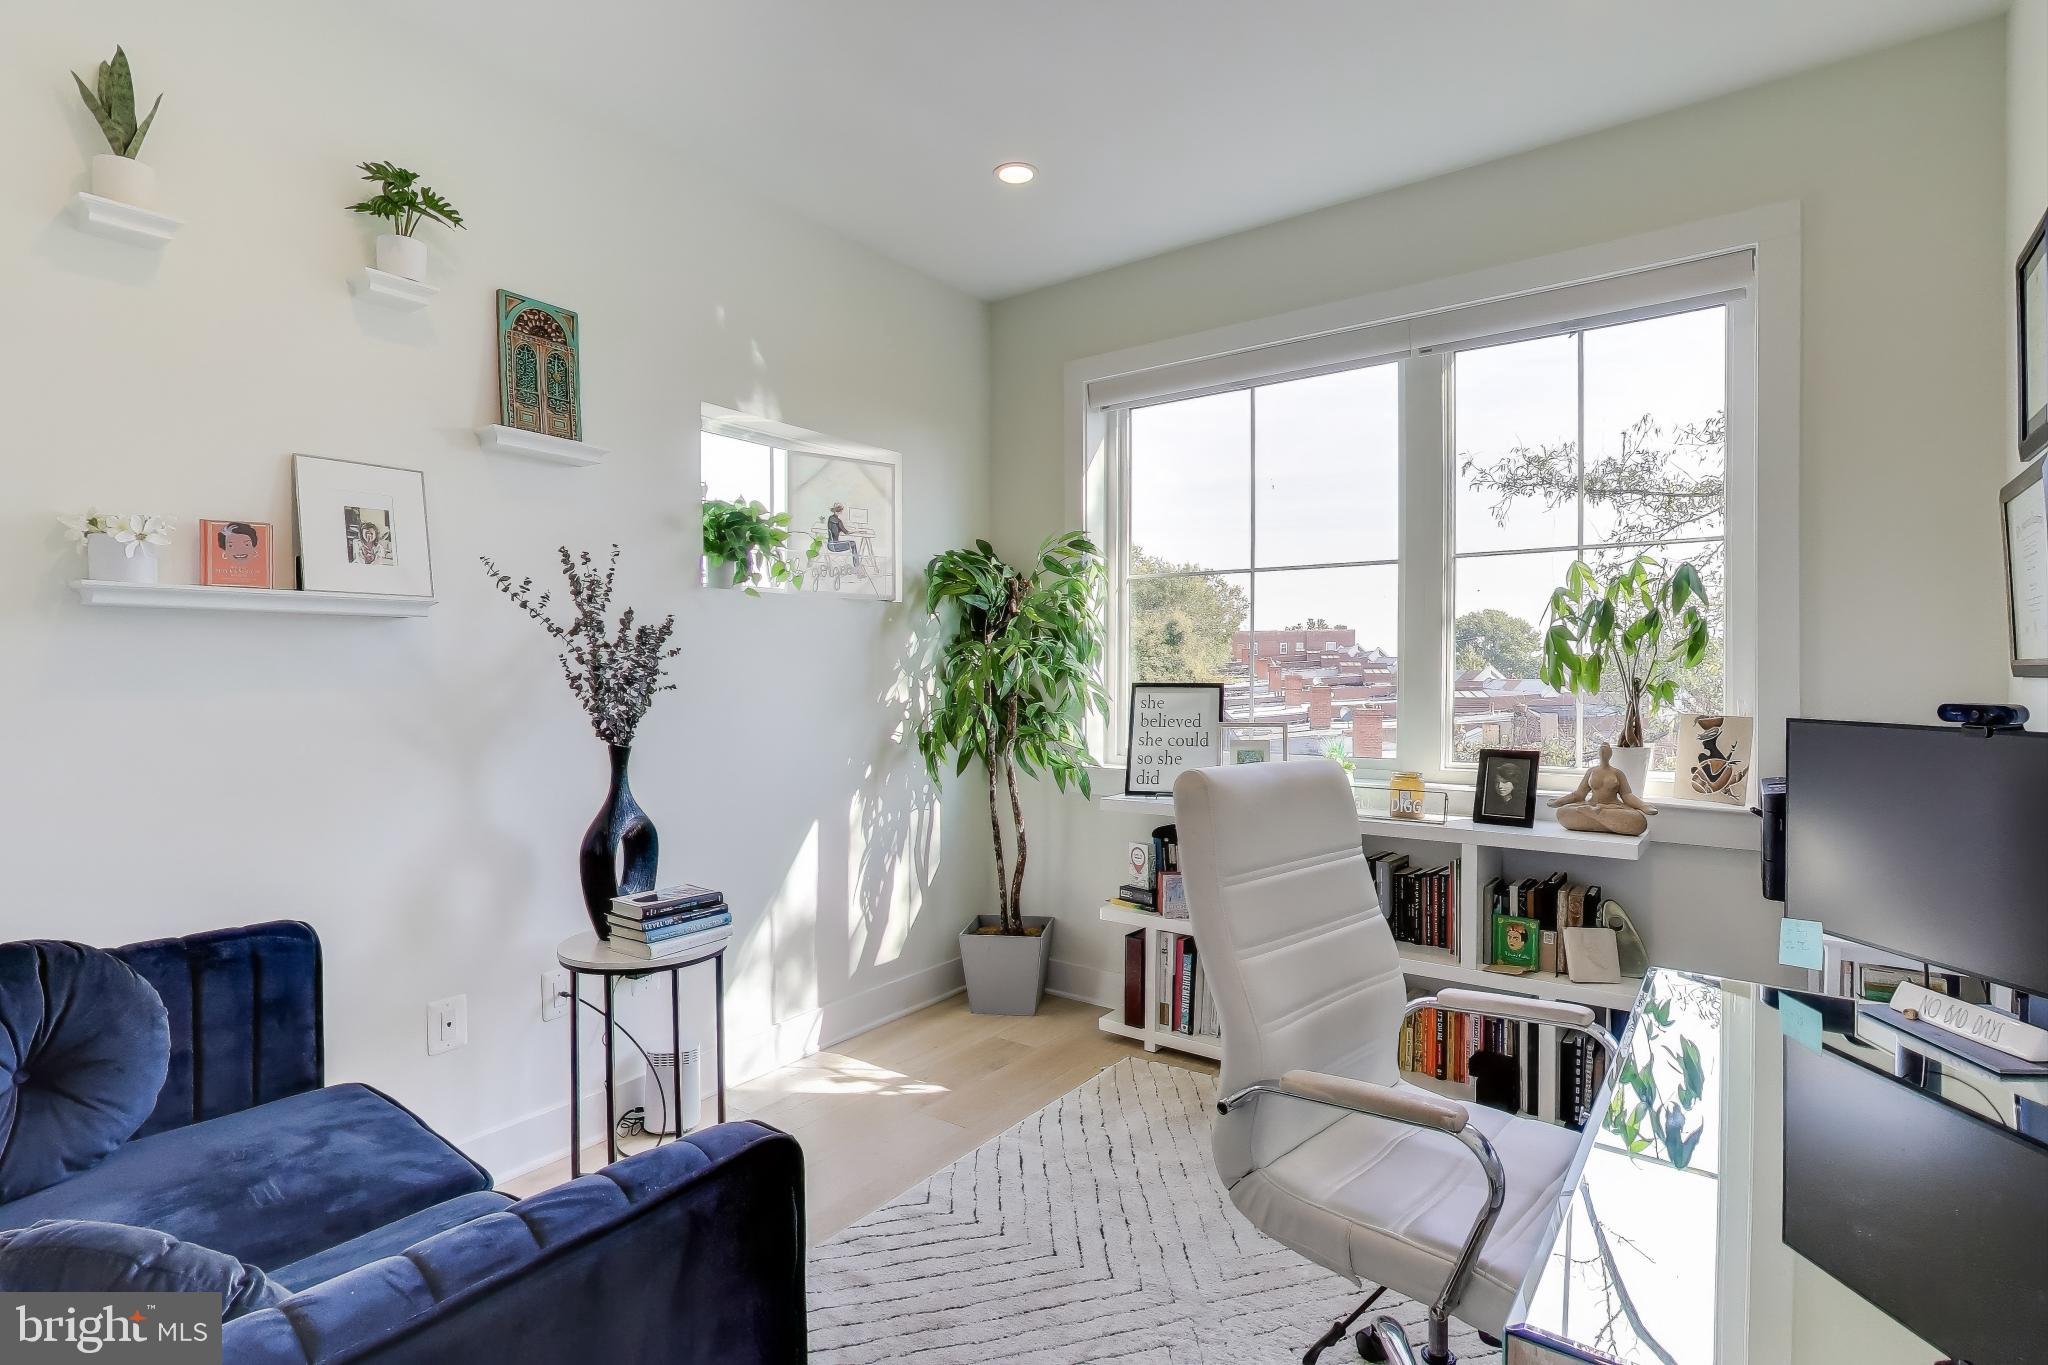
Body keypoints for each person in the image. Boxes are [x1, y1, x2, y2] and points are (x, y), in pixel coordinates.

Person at [1549, 742, 1659, 836]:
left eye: (1606, 749)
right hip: (1591, 805)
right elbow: (1578, 794)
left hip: (1613, 807)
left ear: (1611, 753)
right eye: (1601, 748)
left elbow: (1627, 795)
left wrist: (1643, 806)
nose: (1603, 750)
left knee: (1638, 821)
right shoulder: (1591, 771)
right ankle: (1604, 819)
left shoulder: (1617, 773)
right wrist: (1559, 801)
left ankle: (1596, 815)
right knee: (1562, 812)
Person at [823, 503, 861, 569]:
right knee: (853, 543)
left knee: (851, 542)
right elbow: (847, 532)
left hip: (830, 545)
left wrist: (840, 530)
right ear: (840, 511)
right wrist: (857, 530)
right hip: (835, 546)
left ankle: (857, 565)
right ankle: (857, 566)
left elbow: (835, 530)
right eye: (841, 510)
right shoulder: (838, 521)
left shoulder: (830, 518)